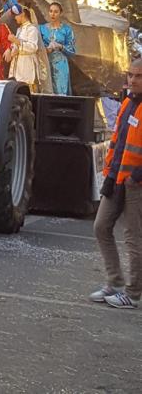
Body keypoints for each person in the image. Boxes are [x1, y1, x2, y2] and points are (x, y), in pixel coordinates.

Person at [90, 57, 142, 309]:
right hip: (118, 177)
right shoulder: (127, 104)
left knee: (134, 239)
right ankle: (116, 282)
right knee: (101, 227)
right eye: (130, 75)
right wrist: (110, 176)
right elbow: (118, 142)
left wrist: (136, 176)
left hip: (135, 183)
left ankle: (132, 294)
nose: (132, 80)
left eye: (138, 76)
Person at [39, 2, 76, 95]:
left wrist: (61, 46)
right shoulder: (42, 28)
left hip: (60, 65)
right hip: (45, 63)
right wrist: (46, 49)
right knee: (46, 91)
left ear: (61, 13)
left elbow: (72, 50)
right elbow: (38, 45)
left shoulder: (66, 30)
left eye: (56, 12)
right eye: (51, 11)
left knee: (60, 91)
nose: (53, 14)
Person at [4, 4, 41, 91]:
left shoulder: (32, 29)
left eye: (16, 15)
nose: (15, 18)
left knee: (27, 93)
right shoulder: (19, 29)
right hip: (17, 68)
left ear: (23, 14)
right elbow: (16, 45)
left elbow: (33, 47)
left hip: (27, 67)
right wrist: (9, 49)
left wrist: (16, 41)